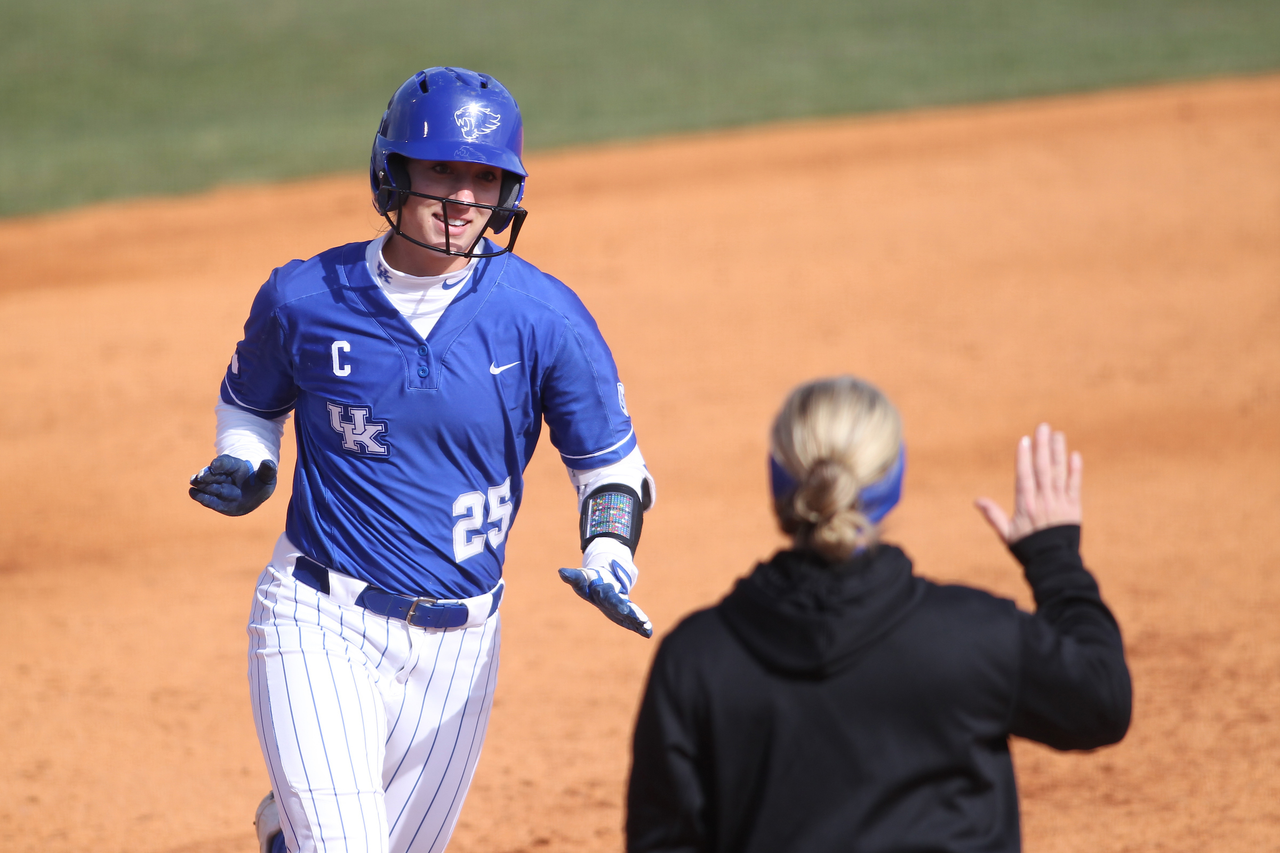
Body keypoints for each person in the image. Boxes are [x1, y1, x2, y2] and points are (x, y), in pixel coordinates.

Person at [188, 66, 657, 853]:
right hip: (320, 617)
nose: (465, 197)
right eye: (442, 170)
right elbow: (251, 403)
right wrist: (246, 460)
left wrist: (610, 548)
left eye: (485, 177)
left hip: (463, 652)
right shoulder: (305, 296)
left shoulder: (542, 317)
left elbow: (612, 467)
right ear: (392, 173)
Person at [626, 376, 1131, 853]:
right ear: (894, 479)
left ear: (779, 481)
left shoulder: (697, 659)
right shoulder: (975, 637)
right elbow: (1102, 702)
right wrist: (1054, 558)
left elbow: (662, 841)